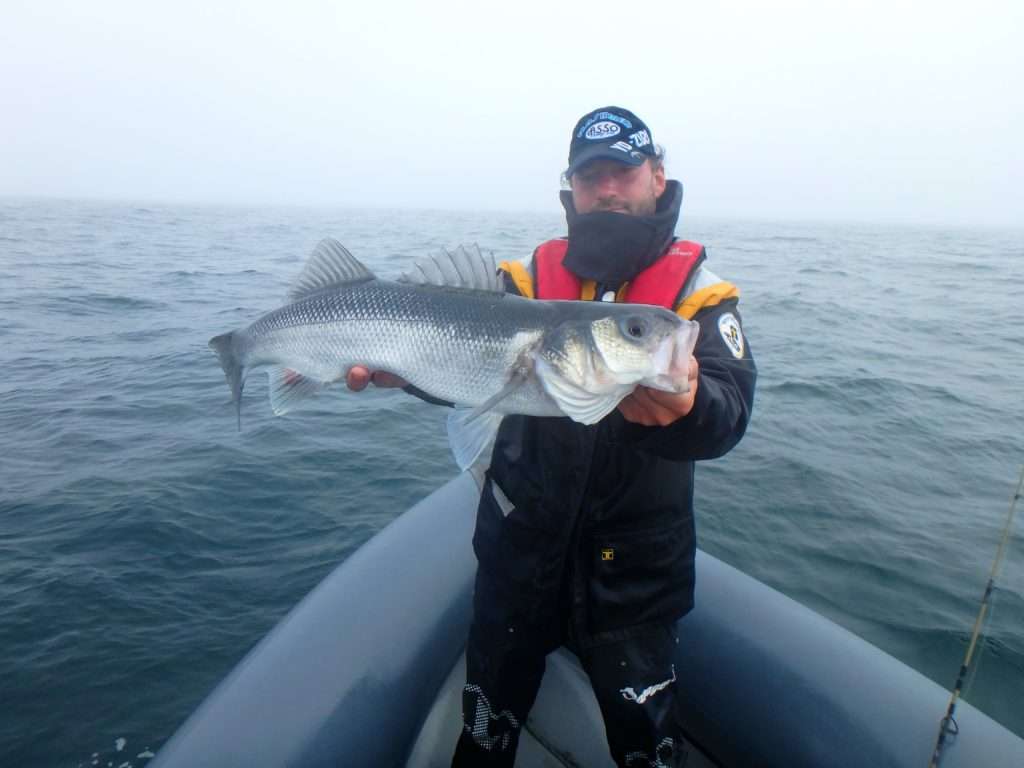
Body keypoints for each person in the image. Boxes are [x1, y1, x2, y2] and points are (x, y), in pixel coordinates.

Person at [348, 106, 756, 768]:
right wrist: (406, 375)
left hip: (634, 577)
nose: (609, 190)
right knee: (484, 733)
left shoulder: (694, 301)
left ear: (656, 176)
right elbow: (465, 367)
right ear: (570, 190)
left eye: (623, 172)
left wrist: (690, 407)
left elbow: (729, 408)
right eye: (591, 176)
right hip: (516, 558)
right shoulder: (522, 284)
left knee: (644, 748)